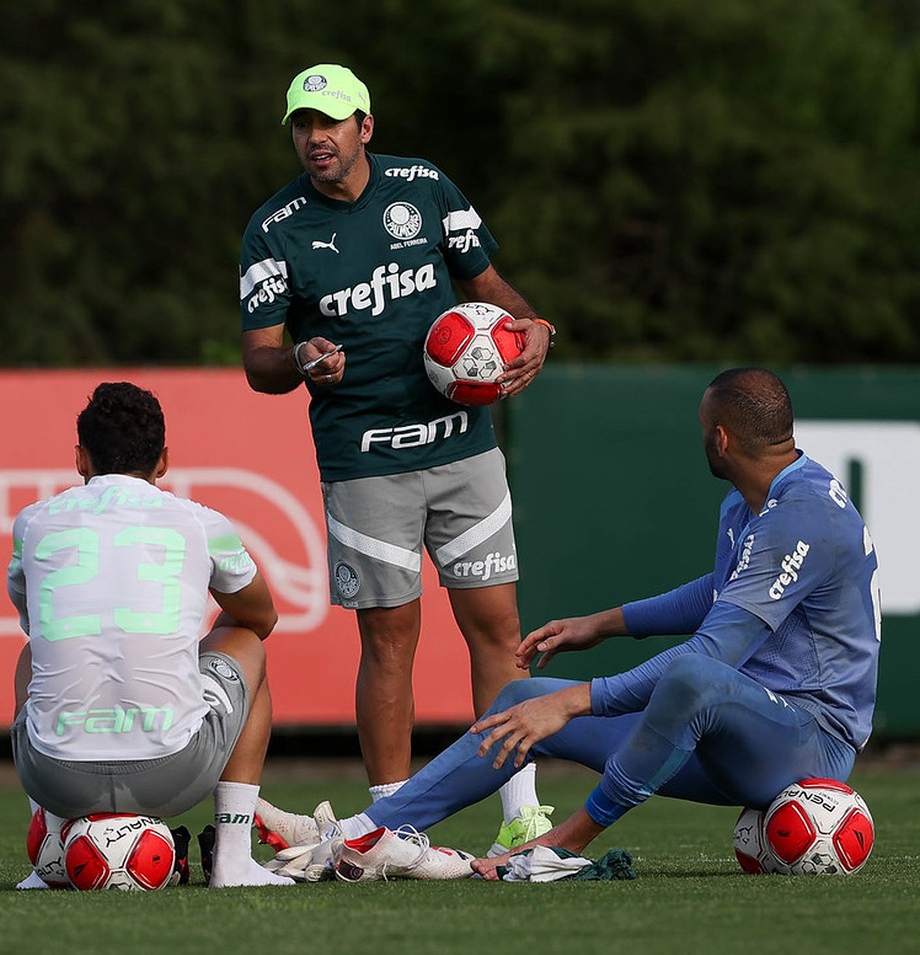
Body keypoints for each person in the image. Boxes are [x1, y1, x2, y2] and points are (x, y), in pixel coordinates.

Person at [257, 367, 881, 881]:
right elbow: (719, 595)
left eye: (700, 430)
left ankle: (563, 845)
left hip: (807, 743)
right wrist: (601, 625)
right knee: (523, 698)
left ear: (720, 440)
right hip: (726, 731)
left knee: (691, 677)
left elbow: (714, 656)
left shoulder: (802, 513)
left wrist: (579, 701)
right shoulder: (752, 500)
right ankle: (367, 835)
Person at [239, 62, 555, 854]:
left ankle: (521, 810)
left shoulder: (425, 186)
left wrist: (537, 324)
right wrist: (301, 359)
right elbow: (258, 362)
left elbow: (490, 287)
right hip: (364, 458)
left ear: (364, 128)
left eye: (330, 122)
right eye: (303, 125)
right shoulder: (274, 229)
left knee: (497, 626)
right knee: (389, 642)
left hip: (463, 448)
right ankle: (392, 823)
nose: (315, 137)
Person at [9, 382, 293, 888]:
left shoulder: (33, 522)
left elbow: (35, 621)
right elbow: (262, 618)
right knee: (247, 642)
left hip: (54, 776)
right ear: (163, 461)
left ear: (80, 458)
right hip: (174, 773)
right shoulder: (201, 522)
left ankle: (51, 848)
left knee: (33, 654)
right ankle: (231, 859)